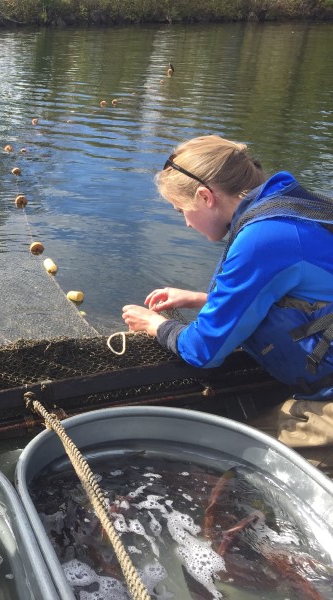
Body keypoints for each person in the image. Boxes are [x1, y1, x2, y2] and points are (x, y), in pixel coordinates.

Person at [122, 134, 333, 476]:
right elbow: (307, 294)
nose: (186, 223)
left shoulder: (263, 239)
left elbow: (204, 351)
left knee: (227, 461)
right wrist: (201, 299)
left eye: (182, 211)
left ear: (205, 197)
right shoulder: (293, 207)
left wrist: (156, 325)